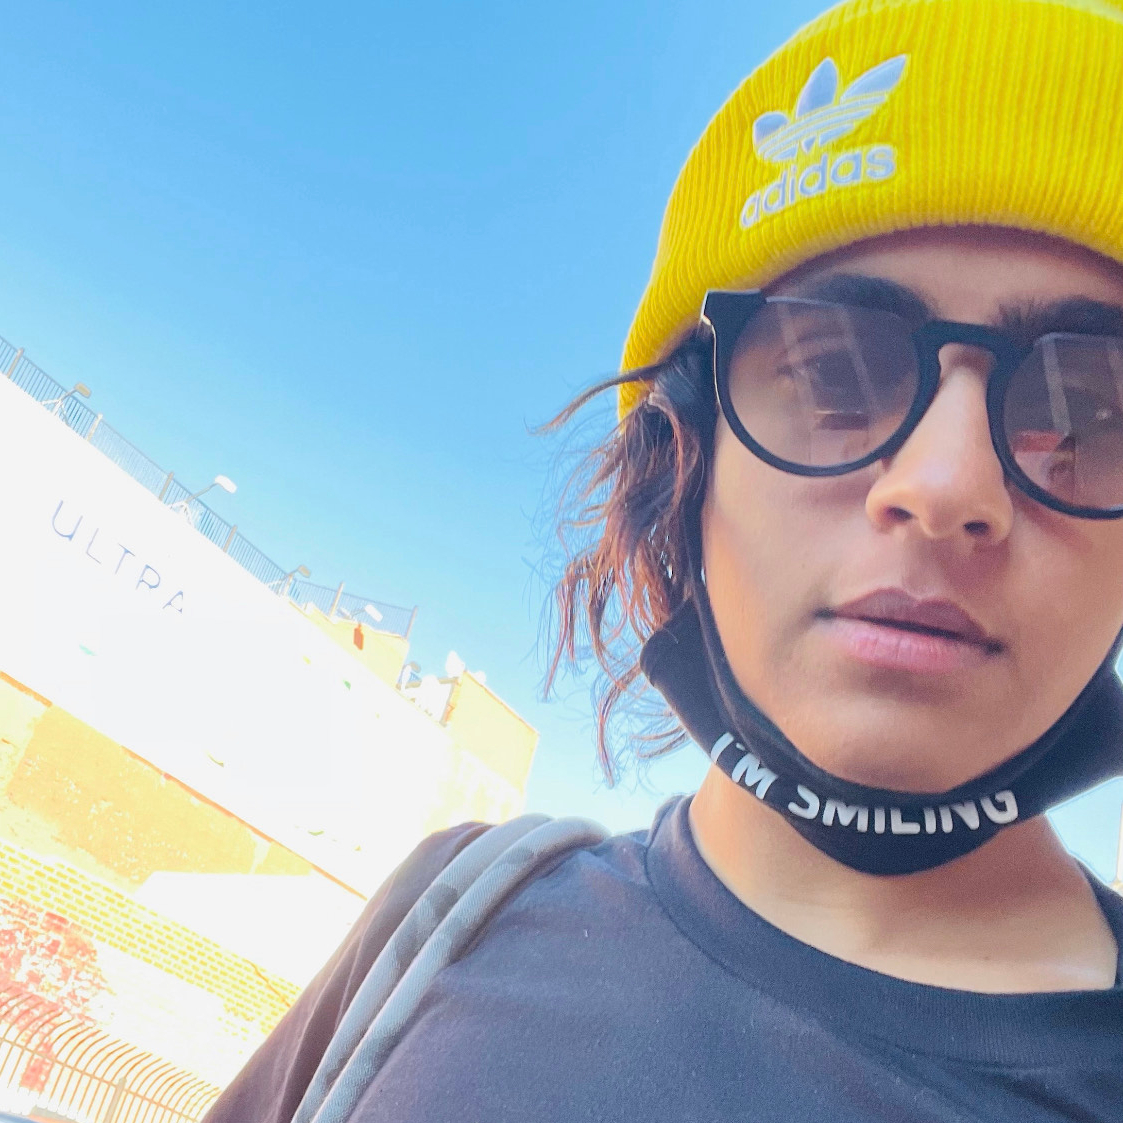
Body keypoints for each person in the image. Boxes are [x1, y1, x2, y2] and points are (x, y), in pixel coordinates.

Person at [204, 0, 1123, 1118]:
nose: (943, 487)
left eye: (1091, 410)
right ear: (682, 461)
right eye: (836, 374)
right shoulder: (449, 919)